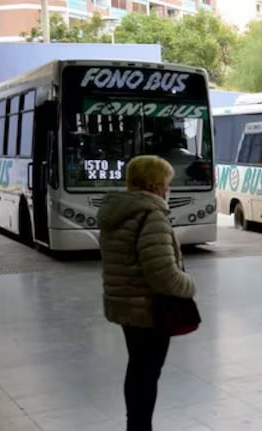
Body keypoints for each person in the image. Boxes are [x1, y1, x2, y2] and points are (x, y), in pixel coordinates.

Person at [97, 155, 196, 431]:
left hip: (126, 305)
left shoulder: (118, 213)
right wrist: (190, 284)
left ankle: (136, 425)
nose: (169, 188)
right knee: (147, 373)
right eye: (166, 183)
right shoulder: (152, 216)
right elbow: (163, 274)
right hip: (148, 309)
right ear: (154, 184)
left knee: (138, 368)